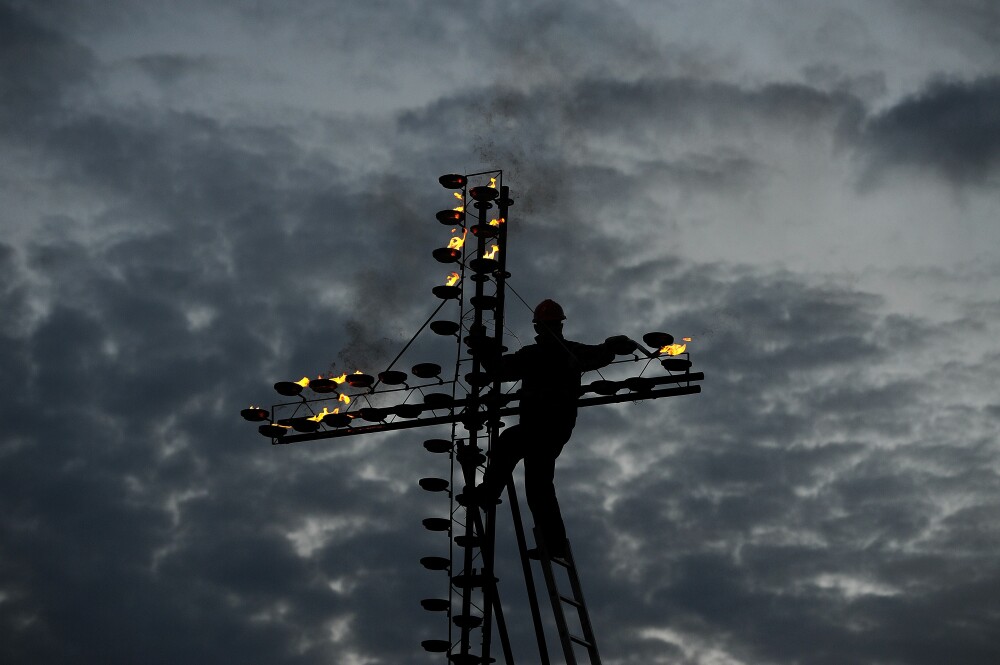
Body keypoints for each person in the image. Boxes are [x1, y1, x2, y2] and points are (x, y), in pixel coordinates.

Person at [463, 299, 628, 558]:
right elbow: (600, 354)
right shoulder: (569, 352)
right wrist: (611, 346)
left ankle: (488, 493)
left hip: (543, 427)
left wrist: (482, 347)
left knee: (509, 442)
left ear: (538, 328)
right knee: (538, 487)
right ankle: (554, 543)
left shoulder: (540, 355)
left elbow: (498, 369)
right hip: (555, 428)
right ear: (558, 325)